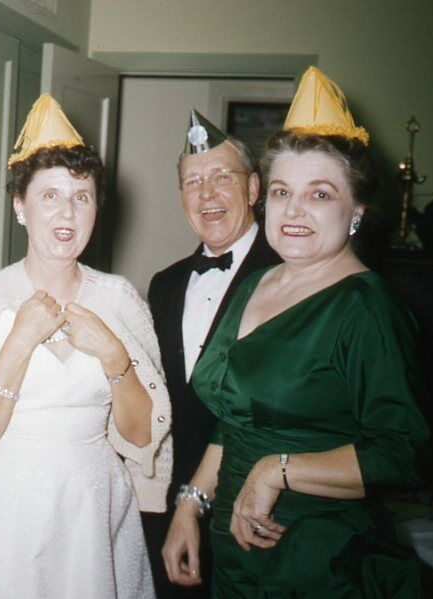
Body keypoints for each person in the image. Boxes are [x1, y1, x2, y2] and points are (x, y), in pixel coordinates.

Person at [162, 67, 430, 597]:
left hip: (319, 561)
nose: (295, 210)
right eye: (283, 191)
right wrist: (191, 503)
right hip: (235, 554)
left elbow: (404, 454)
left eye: (321, 194)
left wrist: (276, 471)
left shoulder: (366, 307)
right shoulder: (259, 282)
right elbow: (235, 418)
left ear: (356, 211)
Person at [0, 93, 171, 598]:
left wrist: (115, 356)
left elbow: (140, 437)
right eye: (49, 195)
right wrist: (19, 342)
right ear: (20, 206)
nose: (66, 212)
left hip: (89, 512)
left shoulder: (119, 298)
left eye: (82, 196)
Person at [145, 109, 279, 597]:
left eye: (223, 178)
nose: (207, 195)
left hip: (256, 512)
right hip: (168, 509)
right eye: (193, 182)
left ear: (254, 189)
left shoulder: (286, 278)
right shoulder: (164, 284)